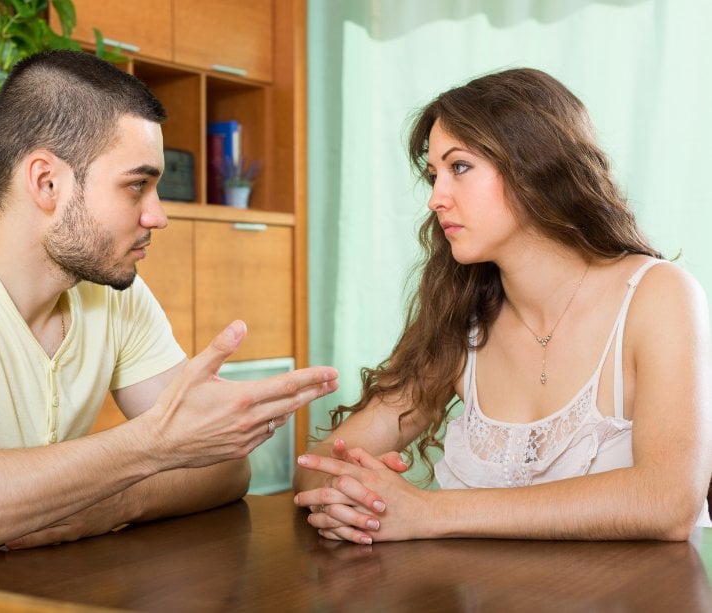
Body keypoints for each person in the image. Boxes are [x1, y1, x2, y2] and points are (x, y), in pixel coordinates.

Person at [0, 50, 338, 573]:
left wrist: (112, 502)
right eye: (136, 185)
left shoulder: (114, 296)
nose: (158, 214)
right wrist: (150, 446)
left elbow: (223, 466)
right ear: (47, 182)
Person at [293, 67, 712, 544]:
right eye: (433, 175)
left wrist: (431, 511)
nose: (435, 198)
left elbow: (668, 501)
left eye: (459, 167)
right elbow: (320, 462)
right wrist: (355, 494)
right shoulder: (461, 316)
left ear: (535, 163)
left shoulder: (659, 296)